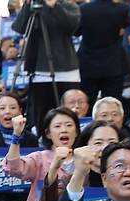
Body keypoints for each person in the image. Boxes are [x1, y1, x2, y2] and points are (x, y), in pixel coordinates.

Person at [12, 0, 80, 134]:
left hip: (66, 69)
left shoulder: (68, 5)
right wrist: (27, 5)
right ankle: (44, 144)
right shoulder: (33, 6)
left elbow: (72, 26)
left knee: (68, 114)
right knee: (42, 116)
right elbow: (19, 27)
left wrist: (54, 6)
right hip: (38, 69)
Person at [76, 0, 130, 105]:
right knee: (111, 104)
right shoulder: (122, 9)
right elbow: (125, 25)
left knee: (86, 104)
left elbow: (76, 32)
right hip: (113, 63)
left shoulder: (83, 9)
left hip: (88, 63)